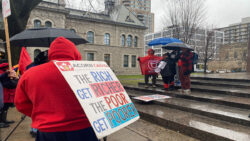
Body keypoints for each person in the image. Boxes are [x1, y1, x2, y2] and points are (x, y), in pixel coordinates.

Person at [15, 37, 98, 141]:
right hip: (83, 128)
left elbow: (21, 104)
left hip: (48, 131)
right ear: (74, 53)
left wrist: (43, 115)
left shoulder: (29, 74)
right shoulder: (89, 72)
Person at [26, 50, 48, 137]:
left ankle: (33, 129)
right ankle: (35, 130)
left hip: (31, 92)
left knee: (34, 112)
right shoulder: (40, 68)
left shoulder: (30, 66)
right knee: (39, 113)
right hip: (39, 92)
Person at [0, 51, 19, 128]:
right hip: (4, 93)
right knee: (2, 107)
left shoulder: (8, 72)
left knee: (6, 107)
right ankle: (1, 121)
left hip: (8, 94)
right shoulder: (3, 72)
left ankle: (4, 120)